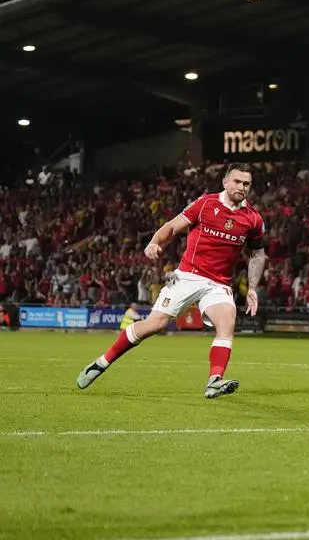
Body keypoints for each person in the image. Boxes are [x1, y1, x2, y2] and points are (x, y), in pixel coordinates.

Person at [75, 163, 266, 399]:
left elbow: (257, 255)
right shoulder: (205, 203)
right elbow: (172, 226)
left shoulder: (253, 219)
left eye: (246, 183)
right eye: (237, 181)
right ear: (225, 182)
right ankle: (102, 363)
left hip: (218, 284)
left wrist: (252, 288)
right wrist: (155, 242)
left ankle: (214, 380)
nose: (242, 187)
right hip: (187, 276)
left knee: (227, 323)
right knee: (156, 324)